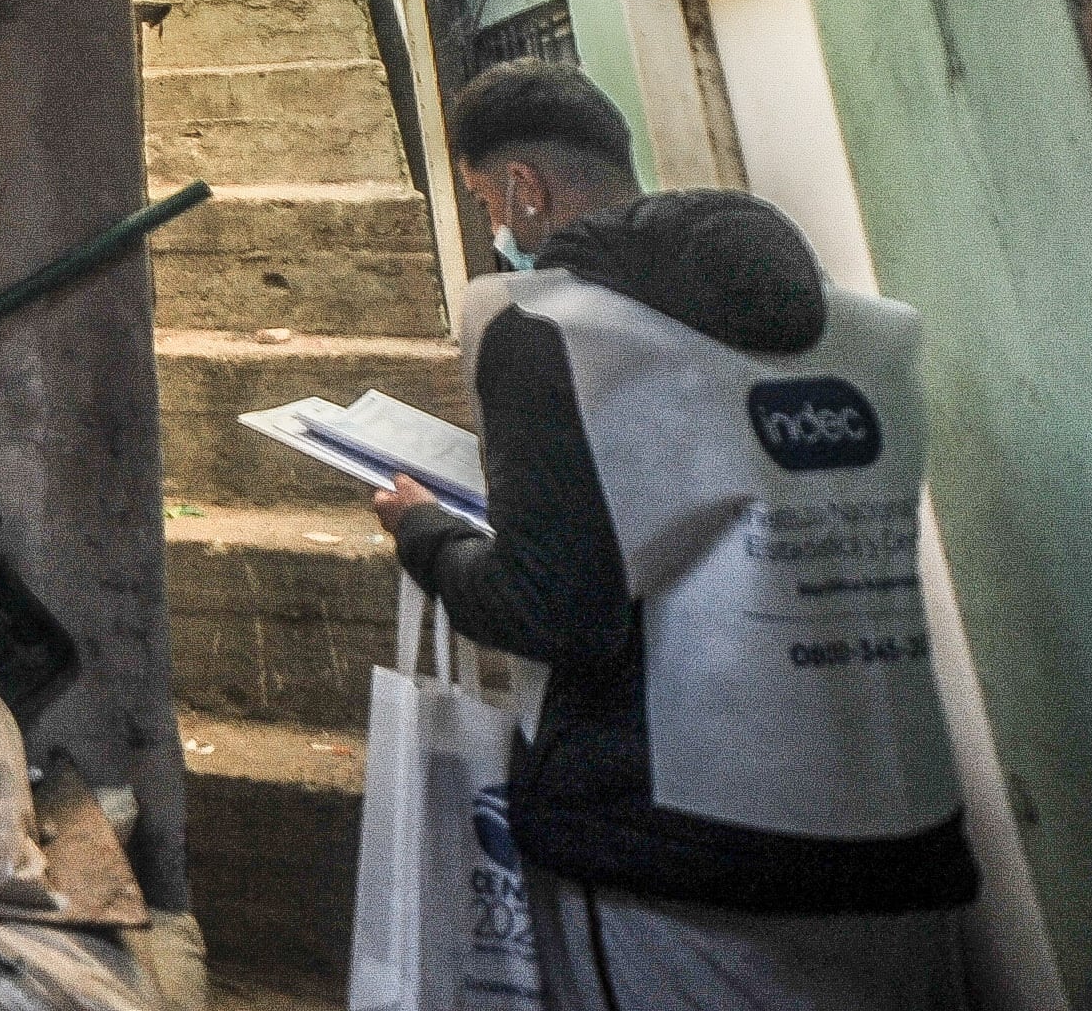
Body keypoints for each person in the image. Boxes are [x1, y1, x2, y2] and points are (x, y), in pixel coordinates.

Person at [371, 61, 976, 1010]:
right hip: (904, 835)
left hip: (683, 857)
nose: (496, 225)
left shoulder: (553, 331)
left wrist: (424, 533)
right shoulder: (869, 333)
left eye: (489, 199)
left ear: (525, 189)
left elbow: (550, 609)